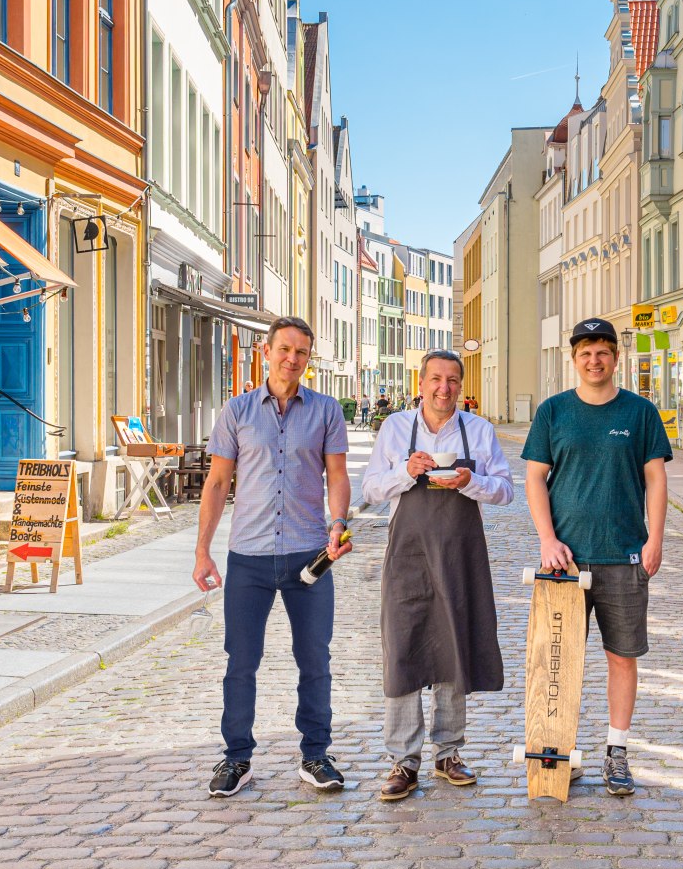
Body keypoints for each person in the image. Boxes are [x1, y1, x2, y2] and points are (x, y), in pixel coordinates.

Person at [193, 316, 354, 798]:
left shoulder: (326, 411)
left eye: (301, 352)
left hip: (310, 555)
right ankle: (236, 758)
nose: (292, 359)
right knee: (241, 661)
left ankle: (315, 755)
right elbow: (218, 484)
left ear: (309, 359)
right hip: (249, 557)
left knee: (315, 660)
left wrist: (338, 522)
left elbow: (338, 478)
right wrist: (203, 551)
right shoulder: (238, 411)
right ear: (266, 352)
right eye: (285, 349)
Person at [524, 317, 671, 797]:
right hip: (563, 563)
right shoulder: (553, 412)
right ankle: (557, 753)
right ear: (574, 359)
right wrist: (547, 539)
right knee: (558, 662)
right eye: (585, 352)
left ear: (616, 357)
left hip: (624, 556)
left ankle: (617, 752)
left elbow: (655, 479)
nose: (594, 360)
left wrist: (655, 539)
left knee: (621, 657)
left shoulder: (640, 412)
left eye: (603, 351)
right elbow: (534, 480)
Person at [360, 350, 514, 800]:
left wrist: (470, 480)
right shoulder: (394, 429)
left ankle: (448, 752)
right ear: (421, 383)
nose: (443, 387)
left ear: (460, 386)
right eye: (435, 379)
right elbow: (369, 489)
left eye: (451, 380)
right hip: (407, 554)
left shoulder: (479, 431)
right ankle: (403, 762)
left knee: (453, 644)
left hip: (459, 554)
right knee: (403, 647)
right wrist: (405, 472)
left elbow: (506, 490)